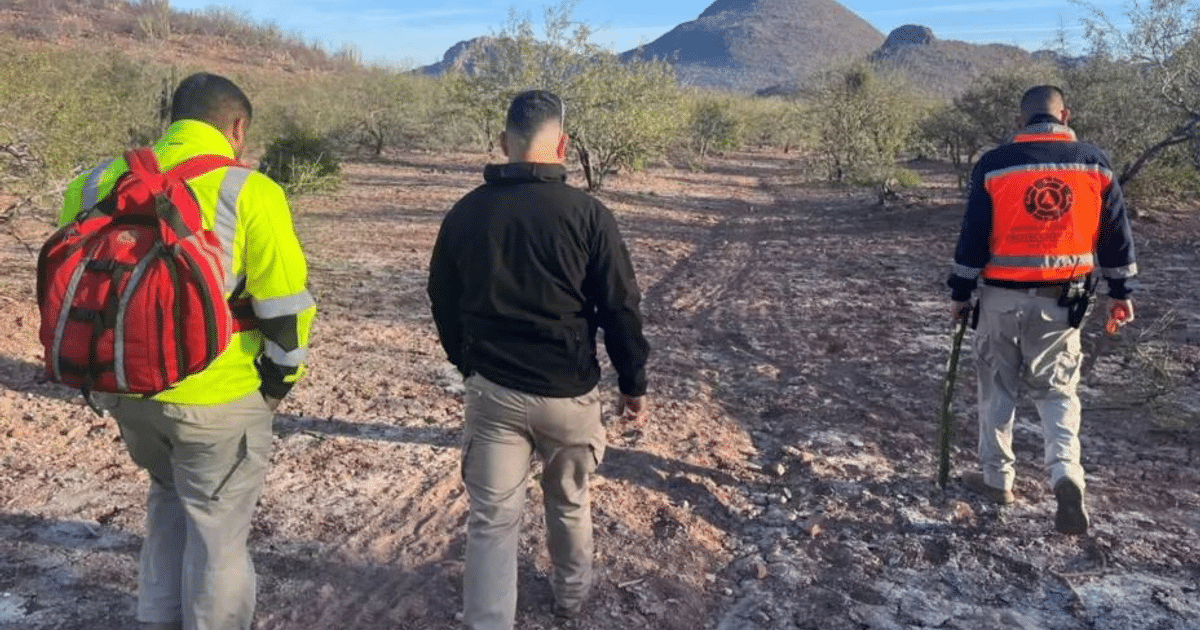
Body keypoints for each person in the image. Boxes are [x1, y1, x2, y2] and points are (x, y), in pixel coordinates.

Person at [58, 73, 316, 630]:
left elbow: (78, 284)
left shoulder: (94, 181)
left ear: (172, 120)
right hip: (217, 395)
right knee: (218, 530)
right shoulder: (250, 190)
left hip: (124, 387)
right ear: (236, 128)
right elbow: (287, 308)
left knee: (168, 496)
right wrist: (278, 383)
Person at [427, 89, 651, 629]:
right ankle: (570, 600)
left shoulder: (467, 213)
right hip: (569, 394)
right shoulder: (589, 215)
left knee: (491, 522)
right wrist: (632, 381)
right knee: (570, 501)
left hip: (494, 394)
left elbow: (441, 296)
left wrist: (467, 363)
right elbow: (620, 305)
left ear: (504, 143)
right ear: (564, 145)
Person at [947, 85, 1137, 536]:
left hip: (998, 298)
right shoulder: (1095, 163)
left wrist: (960, 292)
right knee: (1057, 391)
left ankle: (997, 480)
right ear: (1065, 115)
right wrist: (1121, 290)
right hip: (1062, 302)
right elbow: (1116, 234)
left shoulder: (994, 165)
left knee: (997, 387)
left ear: (1021, 121)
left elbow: (973, 234)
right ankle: (1066, 475)